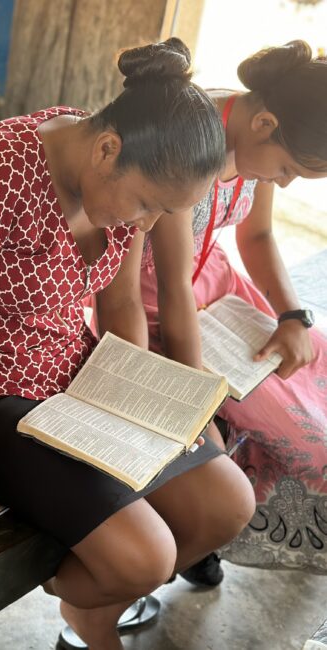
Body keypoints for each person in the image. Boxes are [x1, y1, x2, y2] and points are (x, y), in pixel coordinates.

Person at [0, 38, 255, 650]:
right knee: (145, 556)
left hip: (73, 376)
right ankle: (88, 599)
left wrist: (143, 402)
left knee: (225, 503)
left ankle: (89, 615)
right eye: (149, 206)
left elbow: (123, 304)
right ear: (108, 150)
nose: (149, 226)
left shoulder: (120, 177)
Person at [139, 40, 327, 582]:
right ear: (265, 123)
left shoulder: (252, 138)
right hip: (162, 309)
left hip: (219, 287)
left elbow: (259, 234)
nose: (283, 182)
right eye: (288, 168)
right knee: (301, 439)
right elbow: (171, 287)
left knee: (312, 367)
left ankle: (206, 531)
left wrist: (293, 316)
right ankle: (203, 526)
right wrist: (196, 387)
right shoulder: (192, 144)